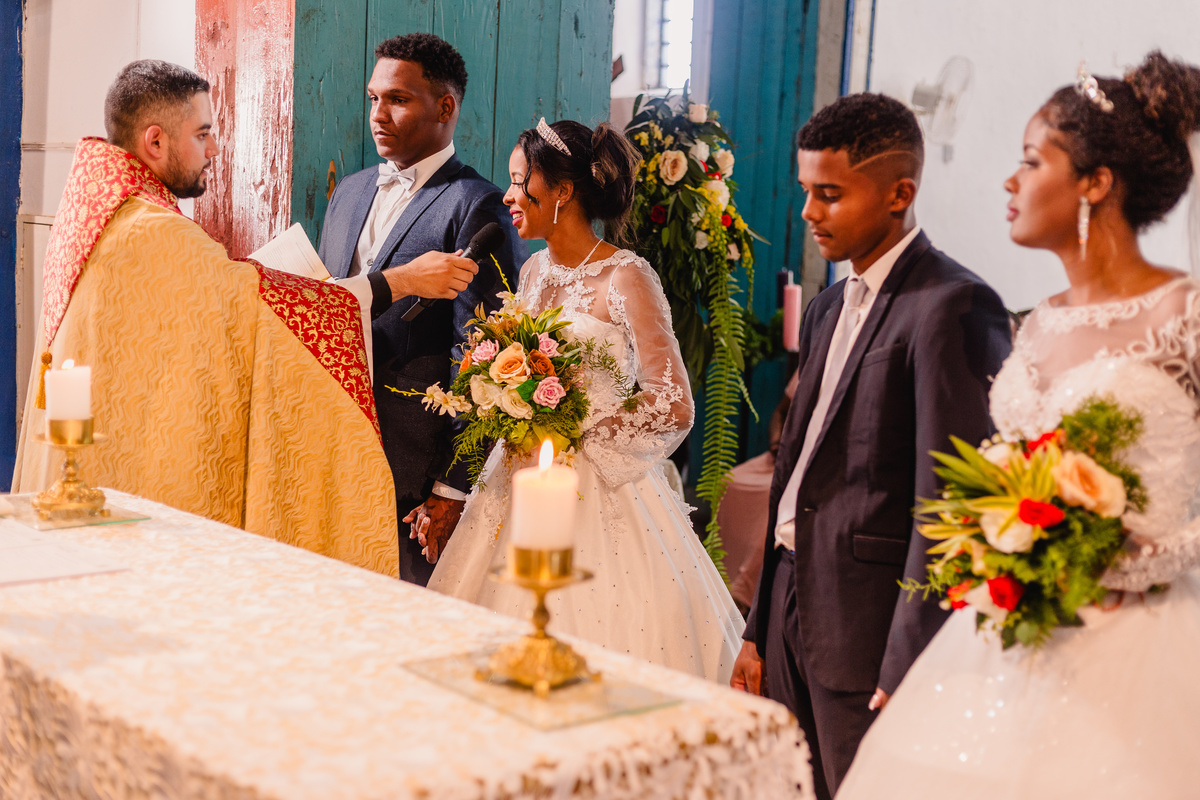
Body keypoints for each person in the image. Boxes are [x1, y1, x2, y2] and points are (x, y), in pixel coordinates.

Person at [839, 52, 1200, 799]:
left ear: (1096, 183)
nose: (1011, 182)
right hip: (1013, 629)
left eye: (1032, 161)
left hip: (1146, 640)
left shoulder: (1184, 314)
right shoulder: (1037, 324)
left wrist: (1135, 555)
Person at [11, 60, 445, 577]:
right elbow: (253, 303)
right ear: (154, 142)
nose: (214, 149)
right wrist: (396, 282)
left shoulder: (98, 206)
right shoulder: (149, 229)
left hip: (87, 457)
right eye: (202, 133)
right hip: (118, 481)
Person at [729, 93, 1012, 799]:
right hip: (792, 595)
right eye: (805, 192)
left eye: (829, 194)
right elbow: (797, 479)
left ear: (899, 193)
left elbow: (949, 502)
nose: (808, 213)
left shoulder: (951, 305)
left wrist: (910, 659)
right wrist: (758, 628)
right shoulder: (829, 305)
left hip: (873, 622)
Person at [427, 119, 744, 683]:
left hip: (593, 485)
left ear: (562, 191)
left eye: (521, 181)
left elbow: (673, 402)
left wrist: (577, 435)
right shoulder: (533, 270)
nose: (508, 196)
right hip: (514, 481)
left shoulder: (627, 277)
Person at [318, 33, 526, 586]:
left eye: (398, 99)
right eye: (373, 99)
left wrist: (452, 484)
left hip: (410, 467)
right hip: (329, 445)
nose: (378, 115)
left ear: (445, 106)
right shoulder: (350, 193)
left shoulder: (475, 203)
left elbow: (483, 358)